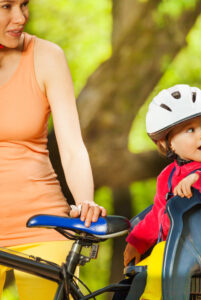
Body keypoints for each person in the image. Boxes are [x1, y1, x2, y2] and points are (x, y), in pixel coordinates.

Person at [0, 0, 106, 299]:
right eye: (6, 6)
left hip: (43, 225)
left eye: (24, 4)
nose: (20, 17)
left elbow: (72, 146)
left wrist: (84, 201)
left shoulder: (46, 57)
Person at [123, 84, 201, 269]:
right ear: (167, 144)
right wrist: (137, 242)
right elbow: (158, 214)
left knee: (152, 276)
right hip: (172, 250)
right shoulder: (167, 176)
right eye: (190, 130)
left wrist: (200, 179)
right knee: (129, 285)